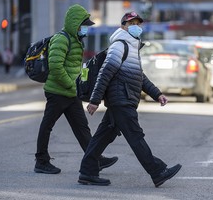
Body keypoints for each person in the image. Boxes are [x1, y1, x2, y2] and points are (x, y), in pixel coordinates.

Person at [78, 11, 182, 187]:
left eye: (138, 23)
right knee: (135, 137)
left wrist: (157, 94)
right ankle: (157, 172)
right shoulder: (120, 45)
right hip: (121, 100)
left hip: (123, 99)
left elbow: (139, 77)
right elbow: (105, 72)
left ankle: (87, 172)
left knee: (103, 136)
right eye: (131, 23)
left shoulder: (132, 46)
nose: (136, 26)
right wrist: (95, 100)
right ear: (123, 26)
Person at [34, 4, 118, 174]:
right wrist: (72, 85)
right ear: (75, 24)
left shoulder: (75, 40)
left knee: (82, 127)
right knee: (47, 126)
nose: (85, 29)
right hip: (58, 92)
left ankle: (95, 158)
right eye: (83, 25)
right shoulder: (61, 39)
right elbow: (56, 66)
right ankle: (41, 161)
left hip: (71, 93)